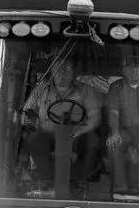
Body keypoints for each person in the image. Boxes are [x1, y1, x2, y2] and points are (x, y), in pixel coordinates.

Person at [17, 45, 112, 195]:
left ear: (75, 72)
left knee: (92, 142)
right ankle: (45, 181)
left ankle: (78, 181)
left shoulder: (87, 90)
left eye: (67, 68)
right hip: (48, 135)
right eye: (59, 68)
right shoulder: (41, 89)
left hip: (78, 136)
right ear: (52, 70)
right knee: (34, 139)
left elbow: (95, 118)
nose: (63, 72)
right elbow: (27, 112)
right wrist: (30, 123)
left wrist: (77, 132)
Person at [104, 47, 139, 200]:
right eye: (130, 67)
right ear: (123, 69)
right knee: (114, 146)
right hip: (124, 130)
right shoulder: (116, 87)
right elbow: (113, 112)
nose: (134, 71)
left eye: (137, 67)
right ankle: (120, 190)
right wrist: (115, 134)